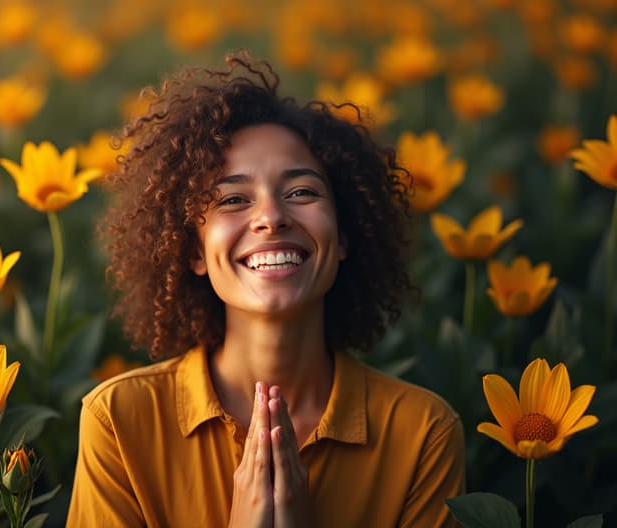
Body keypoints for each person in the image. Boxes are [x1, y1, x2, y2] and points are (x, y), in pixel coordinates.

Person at [67, 52, 465, 527]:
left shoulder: (422, 432)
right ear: (192, 250)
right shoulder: (120, 421)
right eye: (233, 199)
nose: (271, 217)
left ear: (344, 237)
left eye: (301, 193)